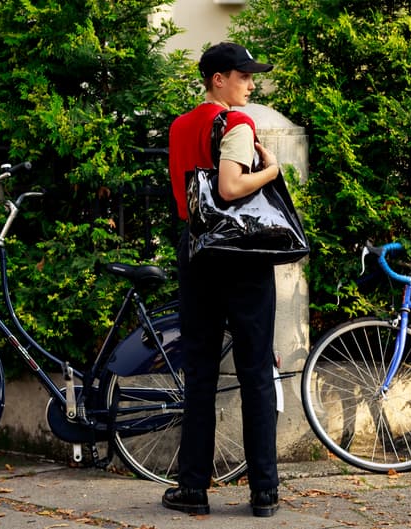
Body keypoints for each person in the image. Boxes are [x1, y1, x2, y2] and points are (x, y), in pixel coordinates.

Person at [164, 42, 281, 517]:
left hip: (195, 255)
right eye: (244, 75)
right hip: (242, 257)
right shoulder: (237, 123)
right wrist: (271, 169)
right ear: (218, 79)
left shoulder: (178, 127)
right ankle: (264, 491)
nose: (251, 84)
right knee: (254, 372)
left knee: (200, 375)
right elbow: (232, 187)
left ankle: (193, 488)